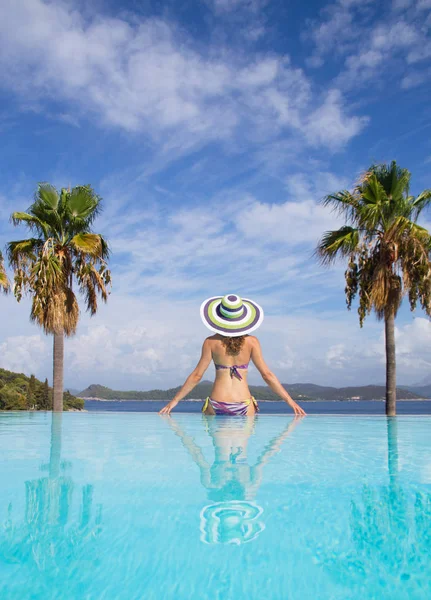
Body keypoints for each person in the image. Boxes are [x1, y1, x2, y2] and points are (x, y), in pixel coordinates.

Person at [159, 294, 306, 416]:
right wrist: (290, 401)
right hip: (244, 403)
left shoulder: (210, 342)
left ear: (219, 318)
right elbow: (267, 375)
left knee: (218, 451)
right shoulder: (252, 342)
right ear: (243, 319)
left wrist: (174, 401)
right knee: (241, 450)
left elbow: (197, 375)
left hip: (217, 402)